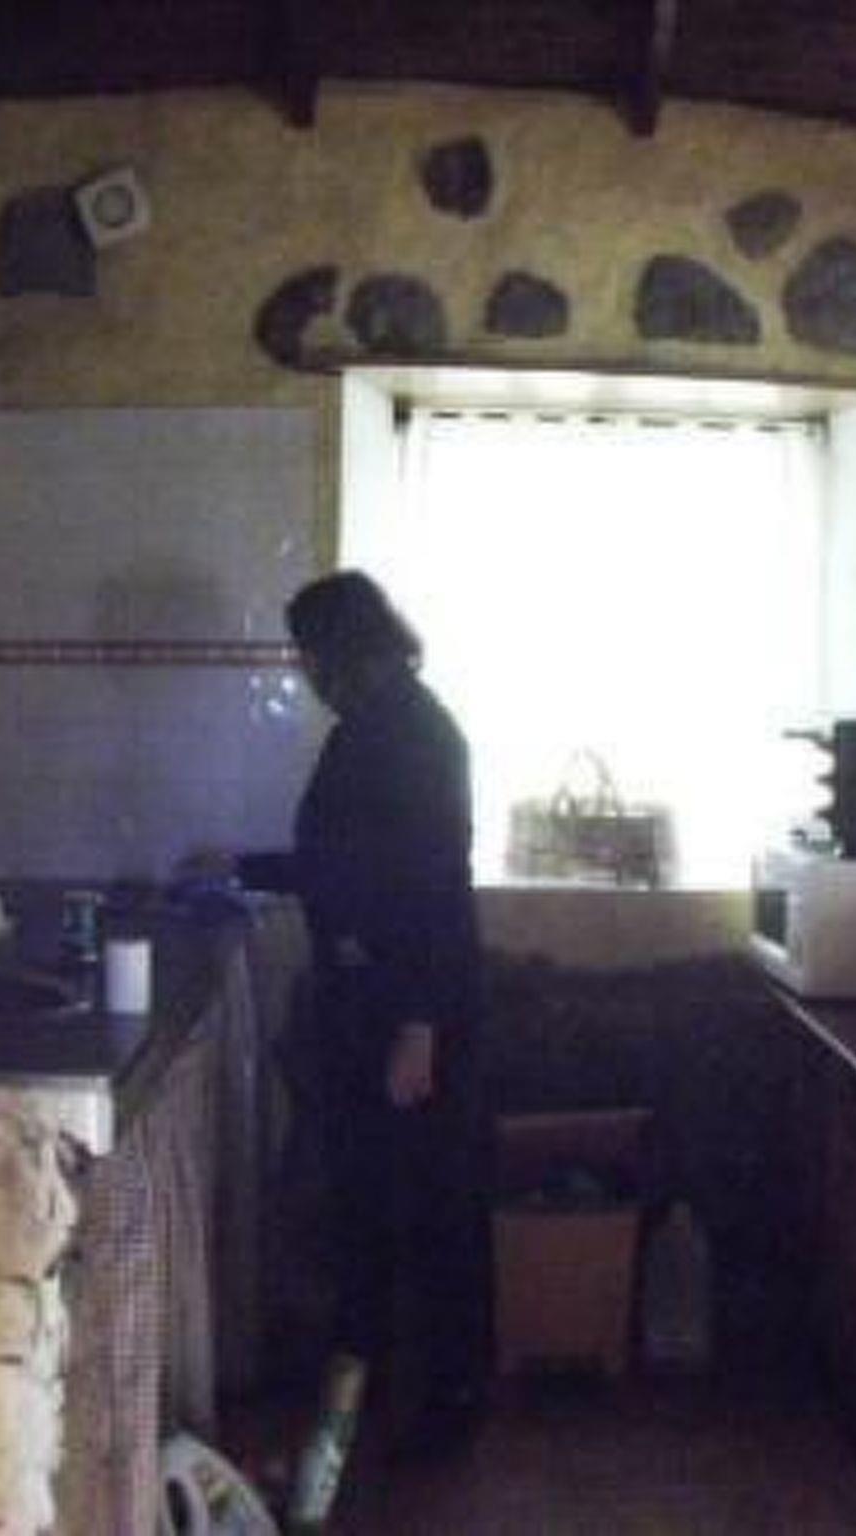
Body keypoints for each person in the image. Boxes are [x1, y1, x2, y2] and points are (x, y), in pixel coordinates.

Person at [234, 570, 492, 1472]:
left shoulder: (416, 735)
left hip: (411, 1008)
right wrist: (239, 869)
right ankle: (366, 1392)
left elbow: (435, 888)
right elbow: (342, 863)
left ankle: (450, 1404)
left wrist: (419, 1030)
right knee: (374, 1205)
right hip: (373, 1001)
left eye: (309, 654)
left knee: (430, 1208)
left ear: (345, 650)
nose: (304, 671)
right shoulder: (374, 727)